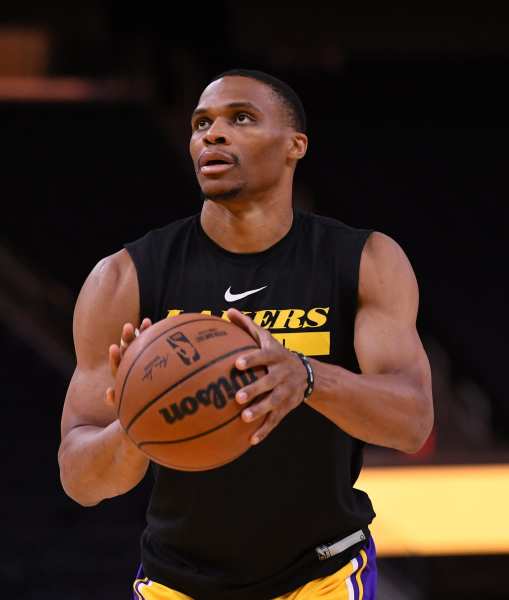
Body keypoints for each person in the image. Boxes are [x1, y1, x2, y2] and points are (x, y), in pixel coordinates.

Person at [57, 69, 434, 600]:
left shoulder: (365, 261)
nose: (211, 134)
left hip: (321, 573)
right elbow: (80, 479)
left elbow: (413, 423)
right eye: (201, 123)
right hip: (178, 581)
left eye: (240, 118)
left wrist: (306, 378)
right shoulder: (123, 278)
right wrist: (134, 426)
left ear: (295, 146)